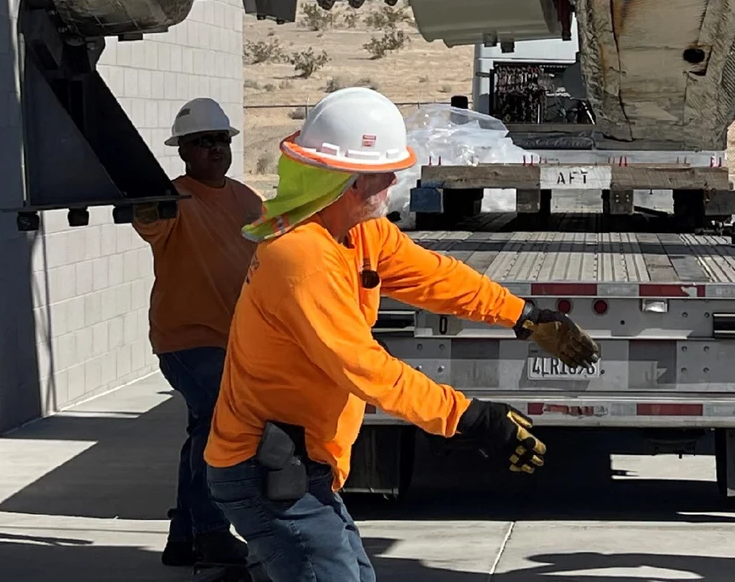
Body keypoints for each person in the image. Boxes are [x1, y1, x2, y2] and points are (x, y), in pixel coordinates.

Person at [205, 87, 598, 582]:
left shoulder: (359, 233)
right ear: (347, 183)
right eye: (384, 172)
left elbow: (436, 277)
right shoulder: (301, 254)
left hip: (302, 465)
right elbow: (364, 367)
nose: (394, 181)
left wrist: (525, 316)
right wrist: (471, 418)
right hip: (267, 470)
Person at [133, 97, 262, 568]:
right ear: (184, 152)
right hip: (187, 339)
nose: (215, 149)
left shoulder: (247, 200)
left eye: (221, 140)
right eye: (202, 142)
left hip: (234, 340)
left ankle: (183, 536)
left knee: (202, 430)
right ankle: (210, 533)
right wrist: (141, 199)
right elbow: (147, 219)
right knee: (217, 421)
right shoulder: (172, 199)